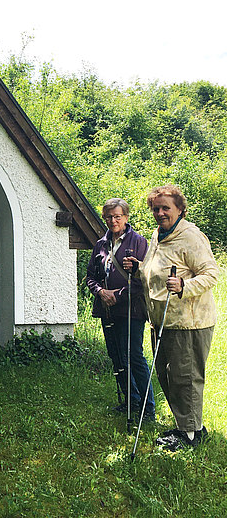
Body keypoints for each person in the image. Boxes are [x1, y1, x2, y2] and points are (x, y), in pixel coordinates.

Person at [124, 184, 219, 451]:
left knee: (185, 377)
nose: (160, 212)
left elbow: (211, 273)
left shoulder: (191, 236)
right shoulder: (159, 234)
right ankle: (188, 425)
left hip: (188, 322)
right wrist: (139, 269)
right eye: (156, 208)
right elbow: (159, 270)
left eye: (166, 207)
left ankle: (189, 435)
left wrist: (184, 287)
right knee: (168, 376)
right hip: (162, 320)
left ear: (180, 209)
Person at [86, 198, 155, 420]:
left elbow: (143, 279)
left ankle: (147, 407)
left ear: (126, 217)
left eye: (117, 216)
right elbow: (90, 277)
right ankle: (130, 400)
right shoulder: (100, 244)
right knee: (116, 356)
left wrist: (118, 295)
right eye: (109, 216)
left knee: (134, 356)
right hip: (107, 310)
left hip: (131, 310)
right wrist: (100, 292)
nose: (113, 220)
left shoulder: (139, 243)